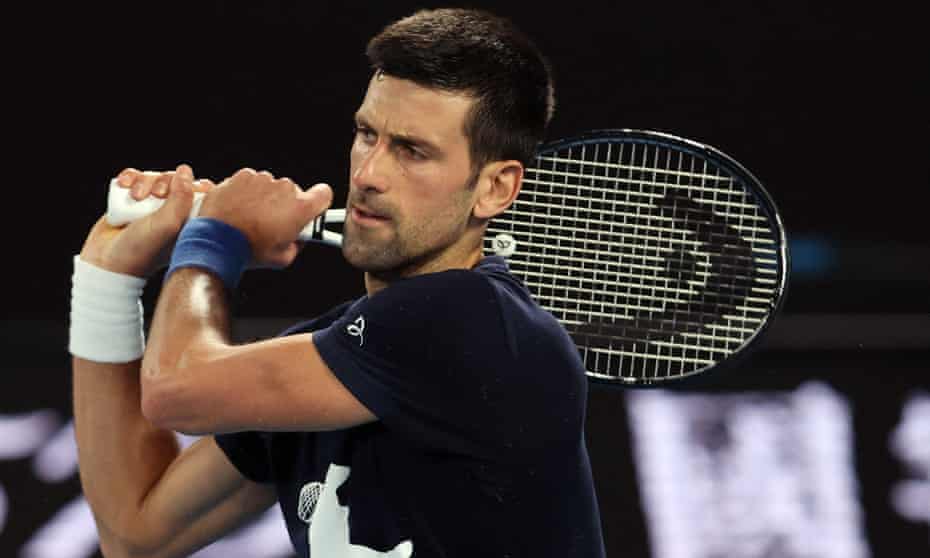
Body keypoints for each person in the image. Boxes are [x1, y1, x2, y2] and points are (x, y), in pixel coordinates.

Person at [70, 8, 606, 558]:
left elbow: (174, 390)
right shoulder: (340, 354)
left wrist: (216, 237)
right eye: (366, 134)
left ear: (495, 188)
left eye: (412, 151)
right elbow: (134, 532)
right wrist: (107, 275)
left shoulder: (475, 319)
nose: (369, 173)